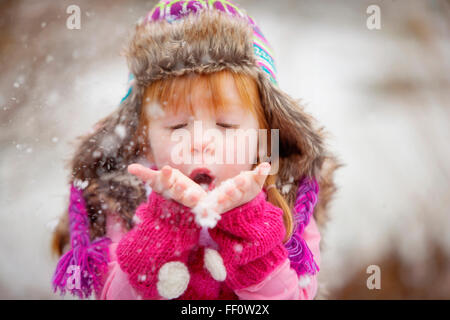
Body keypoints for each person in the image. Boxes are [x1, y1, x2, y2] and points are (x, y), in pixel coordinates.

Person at [51, 0, 339, 300]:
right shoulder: (125, 200)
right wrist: (163, 226)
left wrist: (248, 225)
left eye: (225, 125)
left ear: (263, 136)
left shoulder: (286, 201)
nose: (200, 141)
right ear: (143, 138)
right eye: (177, 127)